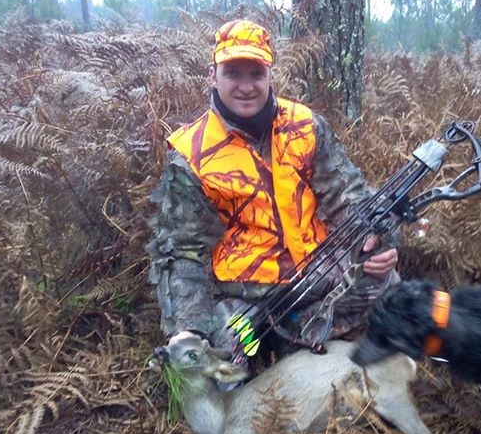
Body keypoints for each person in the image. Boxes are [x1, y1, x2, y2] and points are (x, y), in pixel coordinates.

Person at [148, 19, 398, 370]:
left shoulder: (305, 126)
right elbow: (182, 250)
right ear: (212, 75)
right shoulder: (191, 154)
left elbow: (346, 195)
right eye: (234, 73)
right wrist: (188, 329)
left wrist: (377, 238)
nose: (246, 86)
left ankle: (302, 333)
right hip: (247, 300)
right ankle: (279, 343)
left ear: (270, 75)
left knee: (384, 282)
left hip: (317, 277)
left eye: (257, 73)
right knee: (221, 361)